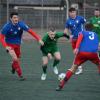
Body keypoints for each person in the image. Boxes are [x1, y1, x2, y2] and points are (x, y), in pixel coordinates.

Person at [56, 23, 100, 91]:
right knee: (98, 65)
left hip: (82, 54)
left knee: (73, 69)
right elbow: (98, 45)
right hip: (93, 54)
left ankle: (61, 85)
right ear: (92, 29)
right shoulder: (96, 35)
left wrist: (76, 48)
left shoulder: (82, 32)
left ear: (85, 28)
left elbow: (79, 38)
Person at [0, 12, 44, 81]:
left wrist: (39, 39)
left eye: (17, 17)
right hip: (9, 45)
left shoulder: (21, 24)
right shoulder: (6, 27)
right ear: (11, 19)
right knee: (15, 59)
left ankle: (13, 67)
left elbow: (30, 31)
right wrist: (6, 46)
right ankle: (20, 75)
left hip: (18, 44)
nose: (16, 19)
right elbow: (1, 38)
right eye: (14, 18)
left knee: (17, 59)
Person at [64, 7, 86, 75]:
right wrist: (68, 36)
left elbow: (86, 23)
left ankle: (77, 68)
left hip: (81, 38)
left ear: (75, 12)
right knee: (76, 53)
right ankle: (79, 68)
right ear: (69, 13)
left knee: (79, 53)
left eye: (74, 12)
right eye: (71, 12)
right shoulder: (68, 21)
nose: (73, 13)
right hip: (73, 39)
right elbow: (66, 30)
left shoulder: (80, 18)